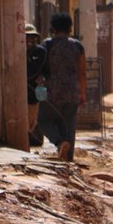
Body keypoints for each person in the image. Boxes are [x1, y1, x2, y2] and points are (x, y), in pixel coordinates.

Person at [36, 11, 87, 162]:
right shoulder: (77, 46)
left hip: (52, 92)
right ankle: (68, 159)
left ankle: (59, 143)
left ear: (53, 28)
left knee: (44, 121)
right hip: (72, 92)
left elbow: (40, 67)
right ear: (70, 28)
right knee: (68, 126)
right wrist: (82, 93)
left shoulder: (47, 44)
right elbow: (82, 72)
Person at [24, 24, 45, 147]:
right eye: (27, 37)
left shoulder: (40, 52)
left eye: (33, 38)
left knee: (31, 120)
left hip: (32, 94)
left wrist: (43, 78)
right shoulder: (15, 50)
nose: (30, 40)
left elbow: (42, 70)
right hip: (16, 94)